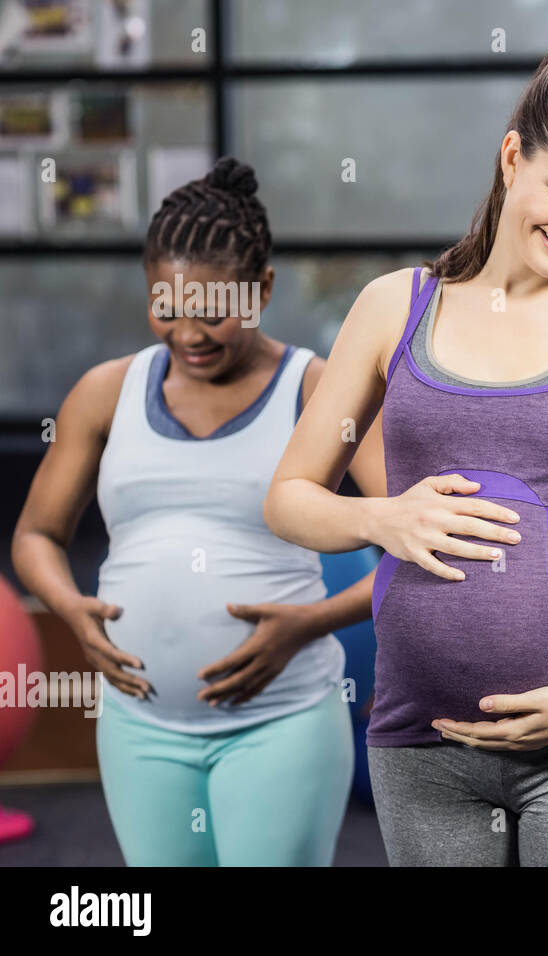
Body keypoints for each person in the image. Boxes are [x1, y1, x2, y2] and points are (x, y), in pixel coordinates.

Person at [262, 30, 548, 867]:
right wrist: (386, 518)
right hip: (422, 743)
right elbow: (290, 497)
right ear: (513, 157)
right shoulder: (391, 308)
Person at [11, 157, 384, 866]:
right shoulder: (104, 393)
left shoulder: (317, 391)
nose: (189, 333)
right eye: (167, 307)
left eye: (214, 312)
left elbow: (416, 539)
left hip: (283, 721)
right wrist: (70, 609)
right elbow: (36, 534)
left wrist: (306, 625)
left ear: (262, 289)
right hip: (139, 727)